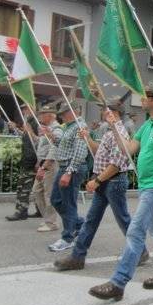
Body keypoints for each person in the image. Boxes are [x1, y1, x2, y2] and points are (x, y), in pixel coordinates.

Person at [88, 83, 153, 302]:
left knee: (135, 231)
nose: (141, 99)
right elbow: (127, 149)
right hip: (147, 185)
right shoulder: (148, 125)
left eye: (145, 96)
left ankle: (118, 282)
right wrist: (114, 126)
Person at [54, 100, 149, 271]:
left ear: (115, 112)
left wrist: (97, 180)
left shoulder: (120, 131)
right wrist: (88, 138)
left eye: (105, 110)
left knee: (123, 220)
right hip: (105, 182)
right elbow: (99, 151)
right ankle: (77, 257)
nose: (102, 112)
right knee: (91, 220)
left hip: (113, 182)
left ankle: (141, 251)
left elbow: (118, 163)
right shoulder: (109, 130)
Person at [48, 101, 88, 252]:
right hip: (65, 166)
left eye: (64, 113)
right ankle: (78, 224)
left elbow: (80, 152)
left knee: (68, 203)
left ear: (74, 111)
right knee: (56, 200)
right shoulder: (70, 127)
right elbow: (67, 147)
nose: (62, 117)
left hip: (71, 168)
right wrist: (55, 139)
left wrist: (69, 172)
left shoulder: (79, 126)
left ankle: (67, 238)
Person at [32, 104, 62, 232]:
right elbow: (41, 143)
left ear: (50, 115)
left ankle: (51, 222)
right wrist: (29, 132)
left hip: (50, 164)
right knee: (37, 191)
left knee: (48, 194)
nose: (39, 116)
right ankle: (48, 219)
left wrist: (44, 167)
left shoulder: (56, 129)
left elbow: (55, 147)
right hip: (44, 164)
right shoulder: (47, 128)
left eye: (42, 114)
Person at [5, 104, 38, 221]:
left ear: (32, 108)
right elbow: (26, 138)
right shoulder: (29, 122)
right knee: (36, 188)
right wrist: (16, 129)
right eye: (23, 108)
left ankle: (21, 211)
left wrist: (39, 162)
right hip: (28, 159)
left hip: (32, 161)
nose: (23, 111)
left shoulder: (36, 123)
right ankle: (40, 210)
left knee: (23, 188)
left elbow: (40, 143)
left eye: (25, 108)